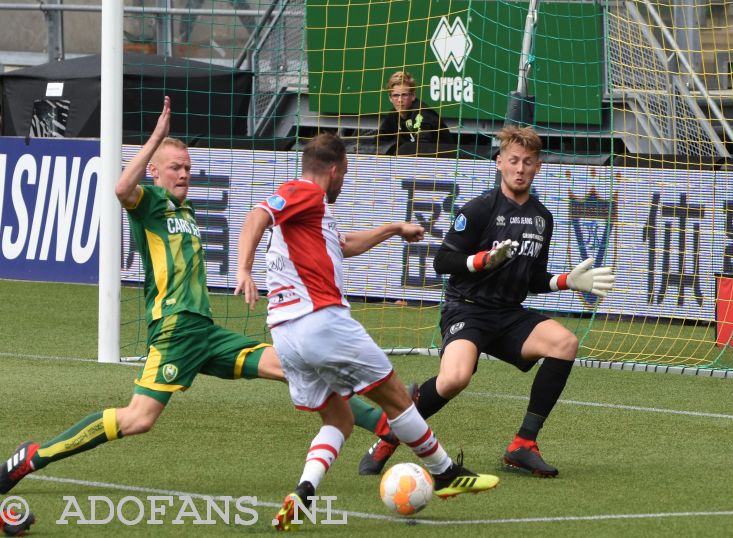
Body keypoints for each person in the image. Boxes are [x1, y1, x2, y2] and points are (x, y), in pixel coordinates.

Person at [0, 97, 391, 496]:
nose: (184, 174)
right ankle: (36, 455)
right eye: (175, 168)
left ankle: (384, 426)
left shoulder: (185, 213)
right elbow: (121, 188)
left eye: (188, 167)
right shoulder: (149, 203)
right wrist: (156, 138)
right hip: (174, 331)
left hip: (203, 332)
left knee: (294, 366)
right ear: (154, 172)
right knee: (138, 418)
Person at [236, 132, 499, 531]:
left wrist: (394, 228)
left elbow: (344, 245)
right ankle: (445, 473)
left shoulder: (310, 217)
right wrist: (242, 268)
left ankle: (304, 491)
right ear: (336, 169)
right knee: (397, 399)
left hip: (286, 336)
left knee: (338, 419)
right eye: (345, 173)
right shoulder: (305, 193)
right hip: (321, 321)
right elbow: (257, 216)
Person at [358, 125, 615, 478]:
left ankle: (523, 445)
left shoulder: (543, 218)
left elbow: (534, 279)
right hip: (467, 308)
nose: (520, 168)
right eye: (513, 161)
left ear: (538, 167)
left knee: (564, 343)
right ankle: (390, 434)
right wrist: (479, 261)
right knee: (455, 379)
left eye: (528, 162)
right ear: (499, 163)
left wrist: (567, 281)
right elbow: (442, 261)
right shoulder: (478, 209)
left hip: (508, 314)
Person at [375, 71, 454, 153]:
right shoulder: (394, 115)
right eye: (396, 95)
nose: (400, 100)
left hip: (443, 160)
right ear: (390, 98)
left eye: (404, 95)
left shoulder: (422, 114)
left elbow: (423, 148)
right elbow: (378, 142)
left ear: (413, 96)